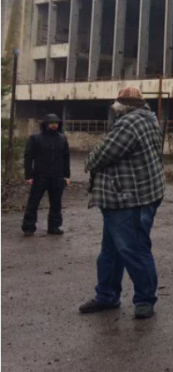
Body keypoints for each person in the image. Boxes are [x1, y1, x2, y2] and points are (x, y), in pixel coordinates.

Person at [78, 87, 165, 320]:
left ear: (123, 105)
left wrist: (88, 161)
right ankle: (107, 295)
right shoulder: (149, 119)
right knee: (111, 251)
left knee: (133, 249)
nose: (114, 106)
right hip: (130, 196)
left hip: (127, 198)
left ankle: (144, 300)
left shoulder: (129, 123)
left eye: (117, 103)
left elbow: (101, 155)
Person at [22, 114, 71, 236]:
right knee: (33, 203)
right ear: (45, 124)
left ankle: (54, 227)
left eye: (56, 122)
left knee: (56, 203)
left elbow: (66, 158)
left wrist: (67, 176)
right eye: (51, 122)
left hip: (57, 176)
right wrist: (28, 176)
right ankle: (28, 227)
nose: (54, 125)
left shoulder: (62, 139)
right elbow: (28, 157)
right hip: (40, 176)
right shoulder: (35, 138)